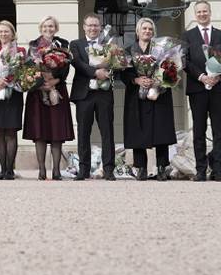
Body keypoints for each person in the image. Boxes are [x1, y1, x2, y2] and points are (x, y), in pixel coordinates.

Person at [181, 0, 221, 182]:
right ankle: (201, 170)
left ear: (210, 13)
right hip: (197, 88)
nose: (202, 14)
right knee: (199, 130)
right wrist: (202, 77)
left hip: (218, 88)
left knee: (219, 130)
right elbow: (185, 61)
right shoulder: (187, 36)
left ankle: (218, 171)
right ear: (195, 15)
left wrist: (218, 76)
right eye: (199, 12)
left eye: (205, 11)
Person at [121, 18, 177, 181]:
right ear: (138, 31)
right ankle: (141, 168)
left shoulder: (162, 49)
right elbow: (123, 73)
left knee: (161, 131)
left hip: (159, 95)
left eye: (150, 29)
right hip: (136, 96)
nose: (147, 31)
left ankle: (161, 168)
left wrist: (159, 79)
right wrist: (136, 80)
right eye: (144, 28)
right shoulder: (129, 50)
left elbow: (171, 70)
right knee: (138, 131)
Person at [23, 16, 73, 181]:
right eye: (45, 26)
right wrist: (41, 82)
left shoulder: (63, 44)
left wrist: (54, 81)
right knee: (40, 132)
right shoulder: (33, 45)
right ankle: (42, 170)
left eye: (51, 26)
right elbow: (29, 68)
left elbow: (66, 67)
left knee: (57, 131)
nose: (48, 29)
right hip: (38, 93)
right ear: (40, 28)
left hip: (57, 88)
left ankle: (57, 170)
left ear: (56, 28)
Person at [69, 13, 117, 181]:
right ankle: (83, 169)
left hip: (104, 93)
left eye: (96, 25)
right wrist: (95, 72)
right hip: (84, 94)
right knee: (83, 132)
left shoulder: (109, 44)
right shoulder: (75, 44)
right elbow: (77, 63)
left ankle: (109, 169)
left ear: (100, 27)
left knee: (107, 131)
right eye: (89, 25)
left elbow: (116, 64)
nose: (93, 28)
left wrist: (109, 70)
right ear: (84, 27)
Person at [0, 20, 26, 180]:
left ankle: (10, 170)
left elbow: (21, 70)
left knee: (10, 131)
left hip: (13, 94)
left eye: (6, 31)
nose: (3, 34)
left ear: (12, 33)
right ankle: (2, 169)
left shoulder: (20, 51)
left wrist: (7, 80)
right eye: (1, 31)